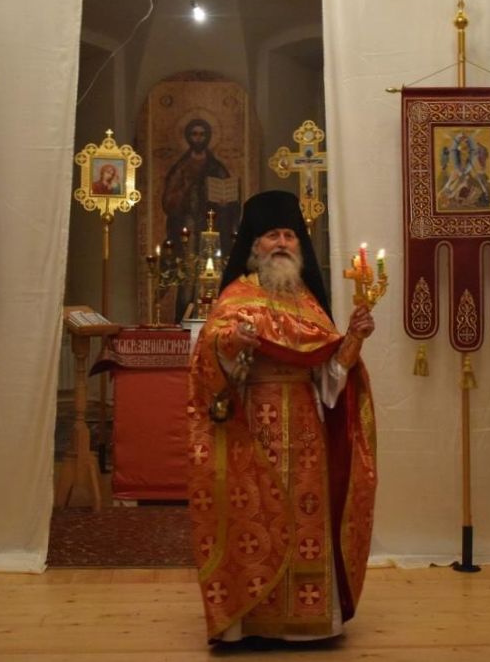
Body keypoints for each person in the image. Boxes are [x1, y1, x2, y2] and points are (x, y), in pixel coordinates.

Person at [187, 190, 378, 644]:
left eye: (289, 235)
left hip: (308, 434)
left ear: (299, 245)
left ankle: (308, 624)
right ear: (255, 244)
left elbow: (329, 380)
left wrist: (353, 339)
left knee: (307, 523)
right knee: (253, 522)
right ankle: (248, 619)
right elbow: (210, 360)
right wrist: (233, 344)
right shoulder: (236, 297)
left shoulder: (309, 304)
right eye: (272, 234)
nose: (281, 243)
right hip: (251, 431)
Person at [161, 118, 240, 320]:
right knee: (188, 277)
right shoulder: (181, 168)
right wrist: (185, 189)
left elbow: (232, 200)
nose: (198, 138)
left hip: (213, 230)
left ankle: (213, 320)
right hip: (188, 227)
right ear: (188, 137)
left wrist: (225, 203)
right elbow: (168, 201)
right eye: (194, 134)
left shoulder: (217, 167)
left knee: (212, 274)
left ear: (208, 137)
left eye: (202, 134)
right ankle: (184, 321)